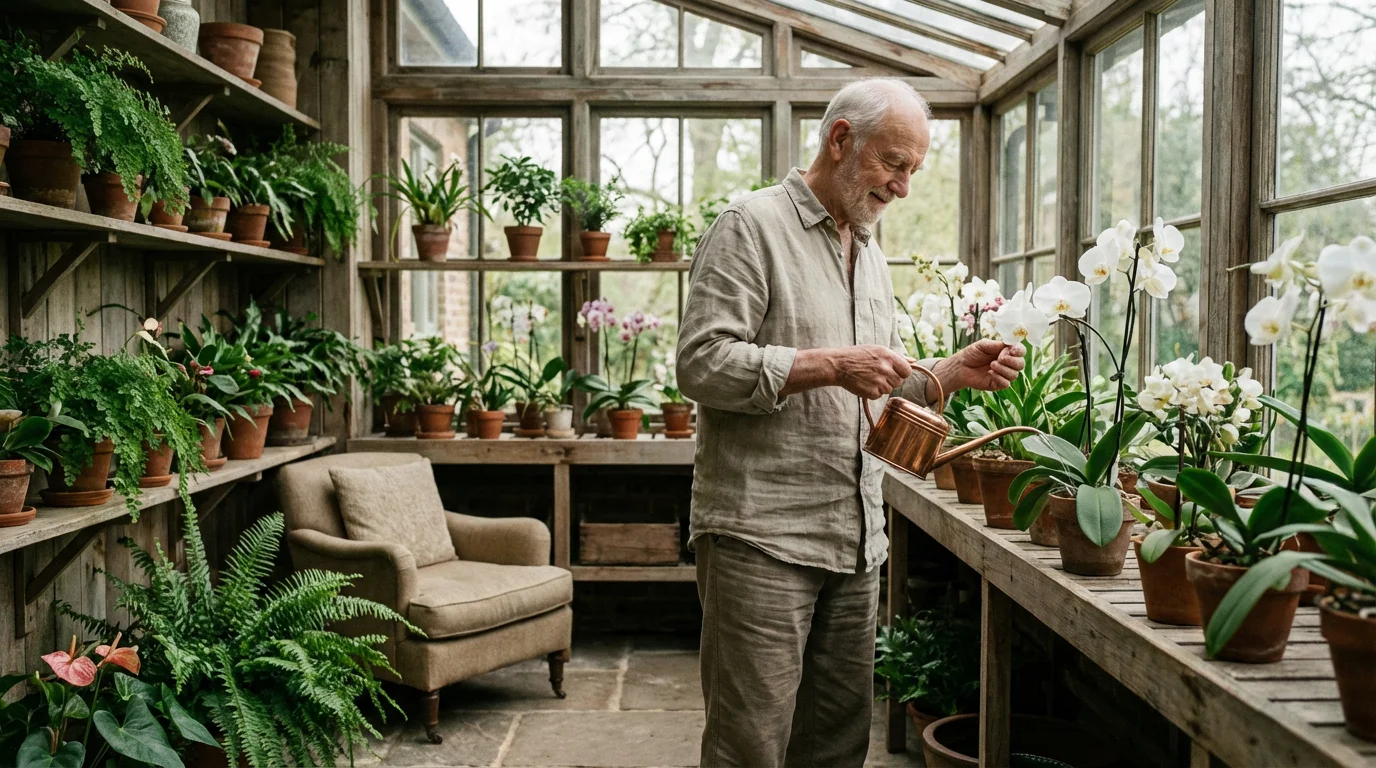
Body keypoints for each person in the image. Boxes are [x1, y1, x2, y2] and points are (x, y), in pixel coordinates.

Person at [675, 78, 1027, 768]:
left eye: (912, 172)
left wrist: (953, 372)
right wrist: (830, 365)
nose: (901, 187)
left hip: (857, 539)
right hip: (761, 536)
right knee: (750, 744)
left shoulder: (869, 251)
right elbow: (701, 363)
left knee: (838, 744)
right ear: (841, 140)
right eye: (893, 164)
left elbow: (871, 383)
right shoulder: (750, 225)